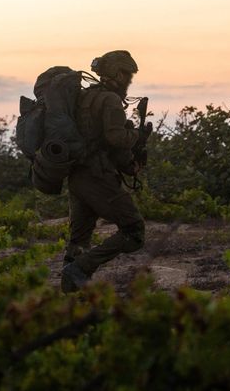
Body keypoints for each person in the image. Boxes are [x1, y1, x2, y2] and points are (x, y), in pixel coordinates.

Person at [60, 50, 149, 292]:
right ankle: (79, 270)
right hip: (96, 177)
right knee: (134, 231)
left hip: (77, 176)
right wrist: (135, 135)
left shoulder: (84, 97)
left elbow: (100, 141)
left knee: (79, 239)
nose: (129, 80)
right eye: (126, 74)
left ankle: (69, 293)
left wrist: (129, 164)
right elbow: (115, 138)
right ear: (115, 73)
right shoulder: (109, 100)